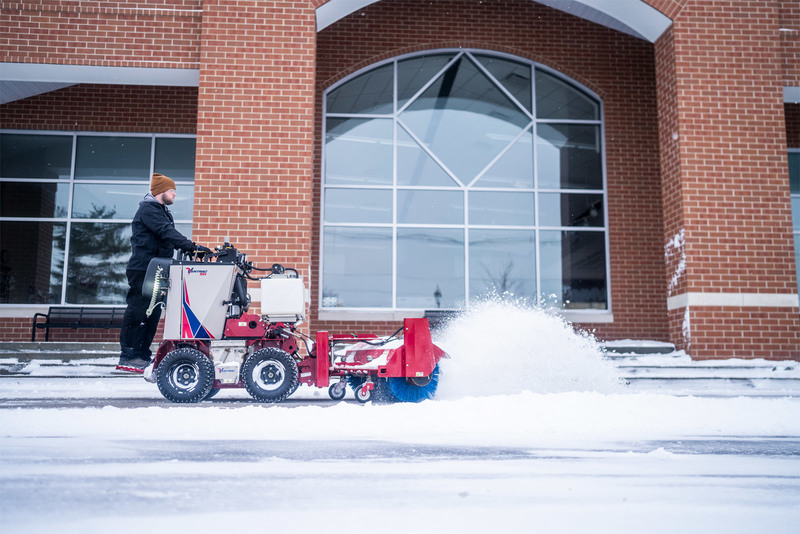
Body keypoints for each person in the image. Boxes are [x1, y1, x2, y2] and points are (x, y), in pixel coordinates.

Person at [117, 173, 211, 372]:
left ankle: (142, 354)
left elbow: (166, 237)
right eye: (172, 190)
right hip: (143, 268)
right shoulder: (148, 209)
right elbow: (166, 232)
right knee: (140, 309)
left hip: (156, 269)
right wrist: (192, 246)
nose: (174, 194)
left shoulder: (161, 210)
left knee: (152, 311)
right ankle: (129, 355)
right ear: (161, 191)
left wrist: (191, 250)